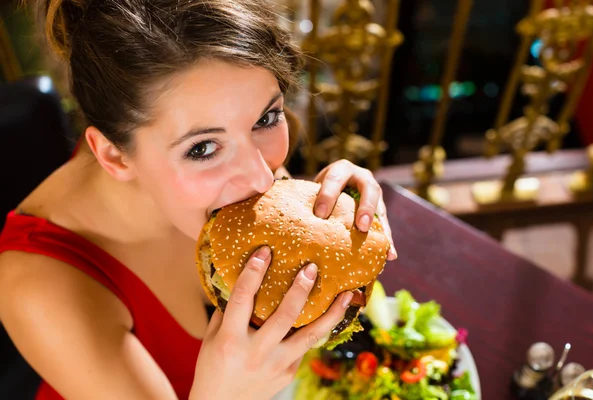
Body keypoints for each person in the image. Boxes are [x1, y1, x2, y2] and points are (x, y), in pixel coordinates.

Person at [0, 0, 398, 399]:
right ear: (114, 155)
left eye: (265, 118)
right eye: (204, 148)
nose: (263, 178)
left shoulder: (223, 181)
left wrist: (329, 225)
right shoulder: (36, 287)